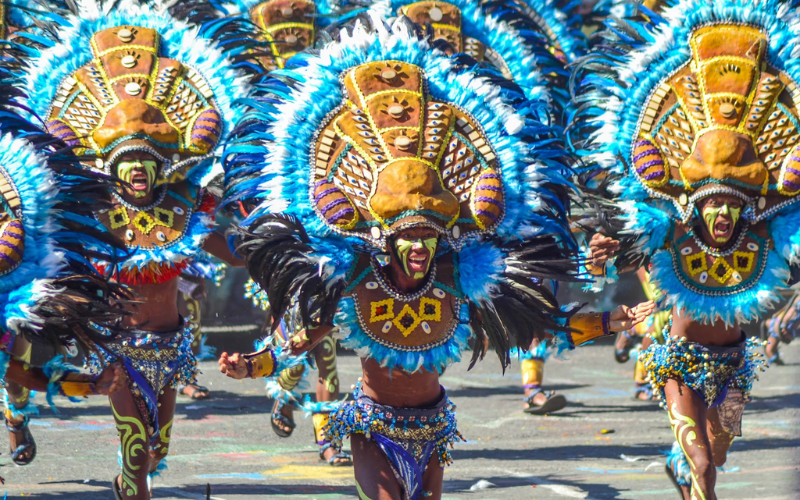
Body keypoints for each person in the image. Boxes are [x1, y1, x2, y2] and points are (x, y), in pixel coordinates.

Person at [218, 16, 653, 499]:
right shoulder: (355, 280)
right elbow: (297, 342)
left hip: (435, 428)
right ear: (386, 242)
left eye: (428, 237)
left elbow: (538, 327)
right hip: (371, 425)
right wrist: (250, 365)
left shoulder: (458, 281)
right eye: (409, 239)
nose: (420, 248)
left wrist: (609, 321)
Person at [570, 3, 800, 497]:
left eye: (731, 206)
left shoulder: (763, 236)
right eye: (712, 205)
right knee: (704, 466)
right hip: (678, 361)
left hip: (736, 366)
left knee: (718, 452)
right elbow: (619, 258)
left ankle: (684, 467)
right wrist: (601, 256)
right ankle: (691, 472)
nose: (722, 215)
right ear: (695, 206)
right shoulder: (672, 231)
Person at [22, 6, 250, 498]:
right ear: (112, 168)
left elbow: (229, 251)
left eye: (146, 161)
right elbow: (53, 254)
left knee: (158, 447)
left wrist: (274, 251)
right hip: (118, 345)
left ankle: (133, 479)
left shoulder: (184, 208)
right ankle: (133, 486)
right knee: (136, 451)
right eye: (127, 162)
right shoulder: (92, 212)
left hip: (171, 344)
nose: (137, 172)